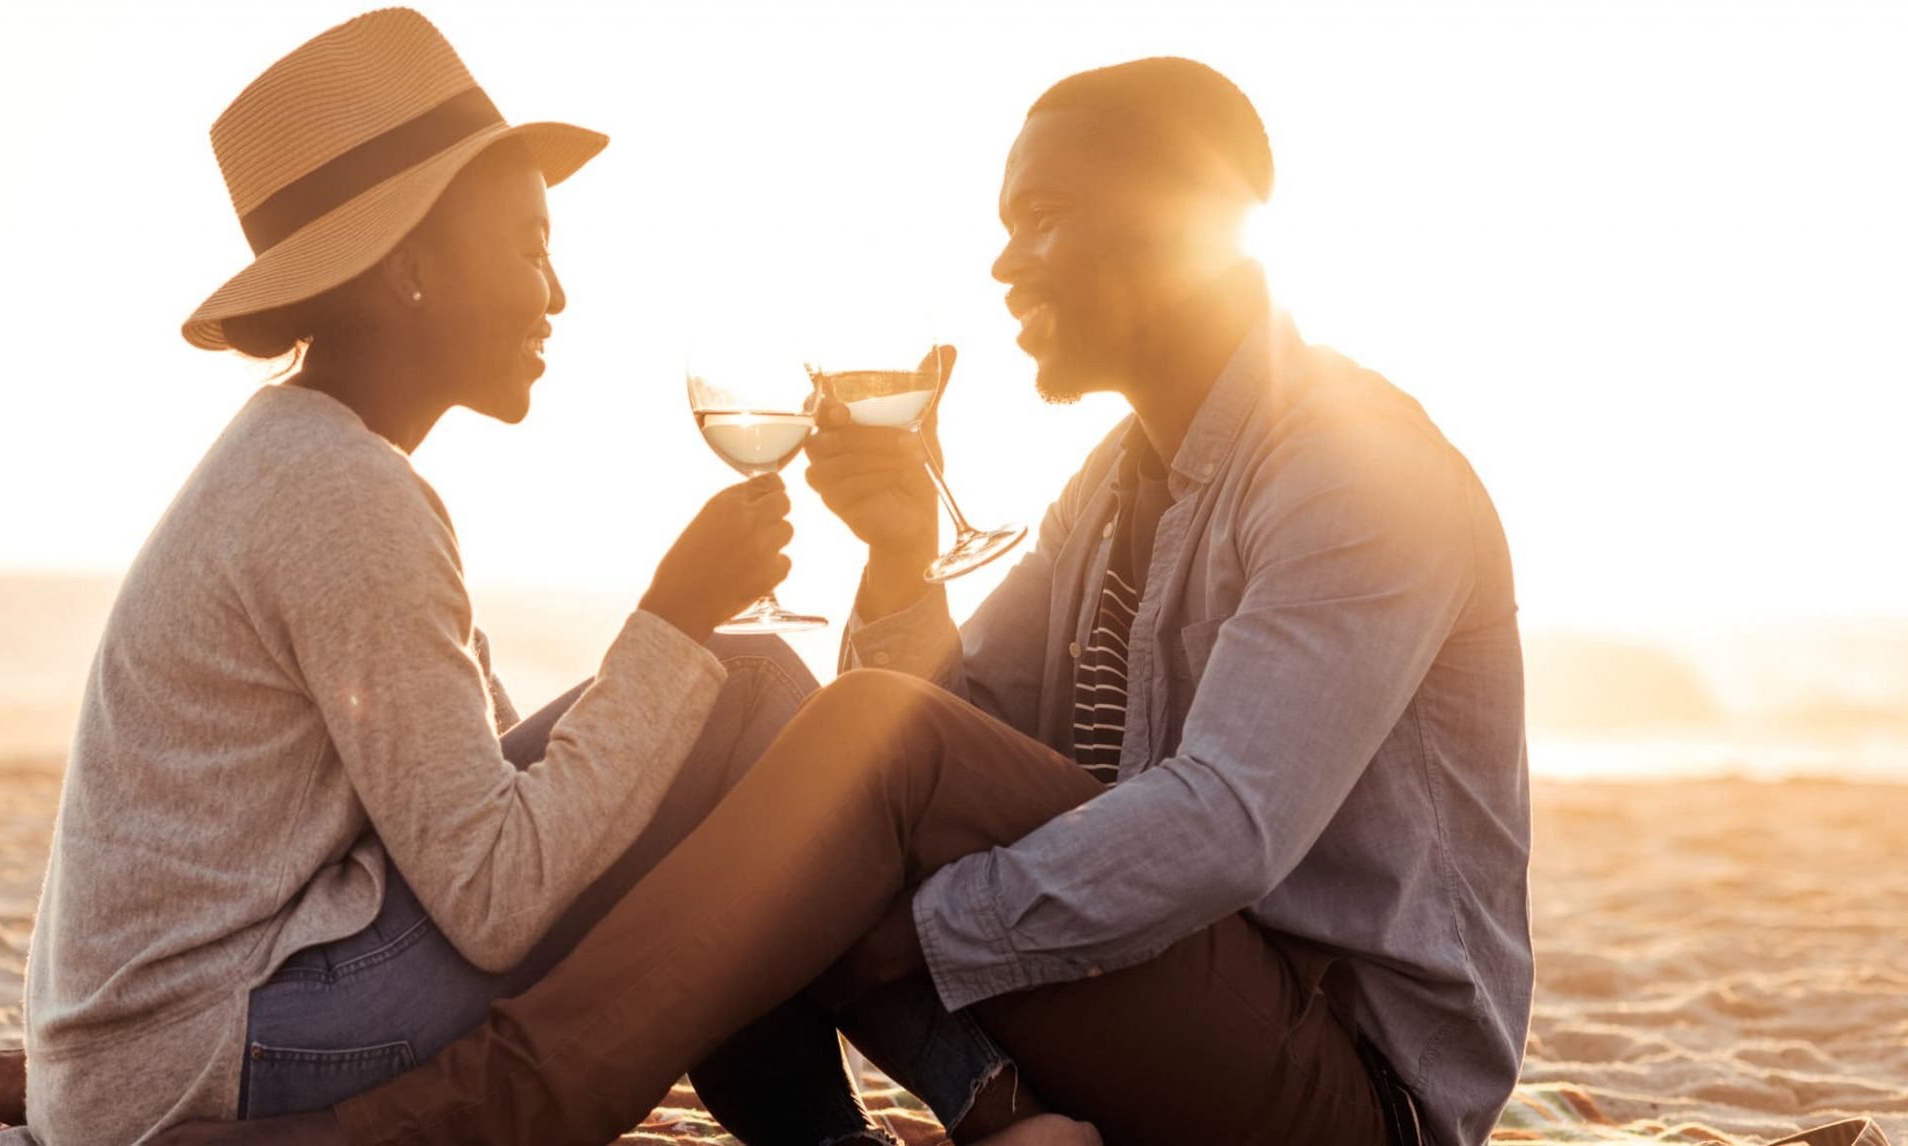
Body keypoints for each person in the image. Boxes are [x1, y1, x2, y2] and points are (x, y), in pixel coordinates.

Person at [158, 56, 1529, 1146]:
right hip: (1164, 995)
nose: (1004, 266)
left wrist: (898, 922)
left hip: (1340, 1084)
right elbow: (957, 735)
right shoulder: (1122, 483)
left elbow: (1227, 821)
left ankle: (460, 1125)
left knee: (832, 777)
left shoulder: (1356, 467)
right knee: (770, 749)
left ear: (1185, 222)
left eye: (1041, 218)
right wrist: (893, 553)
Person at [0, 10, 1016, 1146]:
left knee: (737, 742)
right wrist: (673, 621)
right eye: (529, 247)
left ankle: (873, 1126)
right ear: (413, 271)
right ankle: (988, 1099)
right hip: (210, 1051)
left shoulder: (313, 460)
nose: (557, 295)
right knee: (748, 704)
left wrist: (674, 667)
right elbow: (499, 899)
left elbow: (487, 800)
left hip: (162, 1043)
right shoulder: (340, 493)